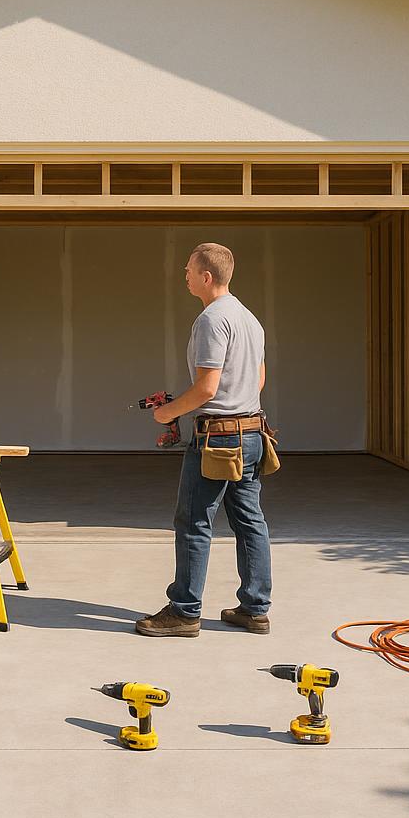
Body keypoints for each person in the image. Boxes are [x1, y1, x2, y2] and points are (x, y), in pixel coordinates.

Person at [135, 242, 271, 638]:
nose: (185, 275)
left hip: (218, 440)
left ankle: (184, 611)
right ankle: (254, 609)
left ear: (206, 277)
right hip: (251, 434)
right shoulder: (250, 319)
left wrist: (169, 412)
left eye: (189, 270)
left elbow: (208, 388)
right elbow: (258, 379)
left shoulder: (212, 319)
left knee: (194, 521)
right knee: (250, 522)